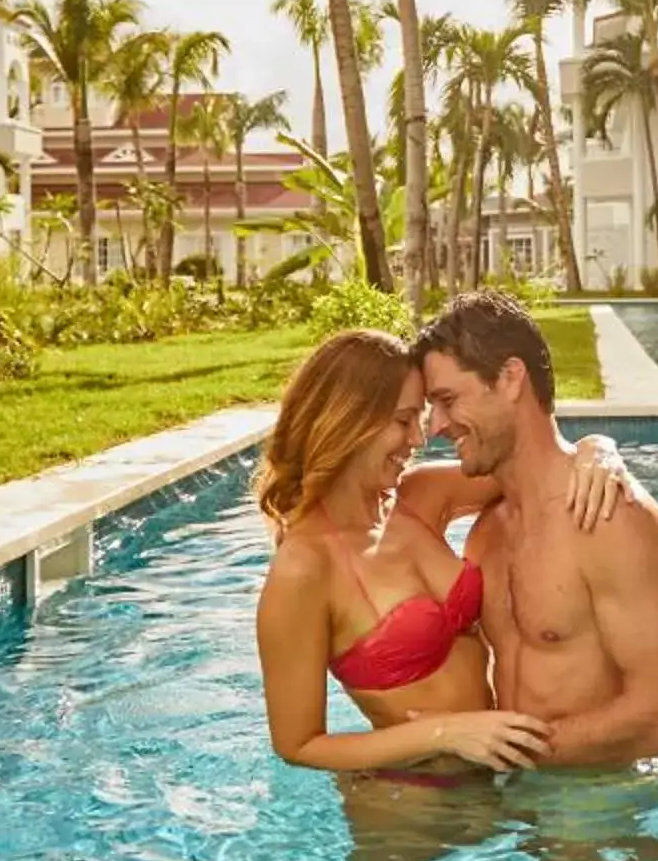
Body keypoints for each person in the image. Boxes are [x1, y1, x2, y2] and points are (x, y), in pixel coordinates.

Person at [252, 327, 632, 779]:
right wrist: (446, 734)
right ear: (347, 421)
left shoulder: (420, 497)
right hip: (413, 808)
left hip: (503, 778)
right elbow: (297, 743)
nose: (419, 438)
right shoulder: (305, 567)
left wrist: (598, 449)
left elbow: (535, 464)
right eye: (403, 420)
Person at [418, 292, 658, 766]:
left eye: (447, 400)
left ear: (509, 378)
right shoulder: (488, 530)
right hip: (517, 788)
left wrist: (490, 755)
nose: (434, 426)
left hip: (600, 809)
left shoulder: (608, 518)